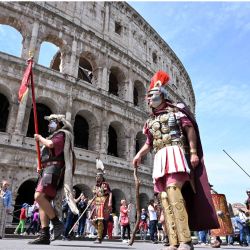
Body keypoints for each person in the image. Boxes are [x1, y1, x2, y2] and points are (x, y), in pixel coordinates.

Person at [133, 70, 219, 250]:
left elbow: (190, 130)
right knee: (164, 198)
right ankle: (174, 241)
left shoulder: (177, 112)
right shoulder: (150, 121)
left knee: (173, 191)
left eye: (152, 96)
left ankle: (186, 240)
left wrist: (194, 152)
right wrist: (139, 155)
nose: (148, 100)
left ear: (162, 96)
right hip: (160, 157)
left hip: (175, 153)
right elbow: (149, 142)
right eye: (147, 98)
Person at [29, 114, 78, 245]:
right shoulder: (56, 135)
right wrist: (40, 166)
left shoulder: (62, 134)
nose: (49, 125)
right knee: (43, 201)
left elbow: (50, 144)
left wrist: (39, 138)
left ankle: (56, 223)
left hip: (53, 170)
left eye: (52, 122)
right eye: (49, 123)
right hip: (47, 169)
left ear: (59, 124)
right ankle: (44, 234)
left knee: (38, 196)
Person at [90, 159, 112, 243]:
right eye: (96, 176)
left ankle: (99, 237)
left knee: (100, 220)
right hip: (96, 204)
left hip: (103, 204)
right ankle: (102, 232)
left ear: (102, 177)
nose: (97, 177)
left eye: (98, 176)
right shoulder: (95, 186)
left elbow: (110, 193)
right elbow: (94, 195)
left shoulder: (105, 185)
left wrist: (109, 202)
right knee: (92, 220)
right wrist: (91, 202)